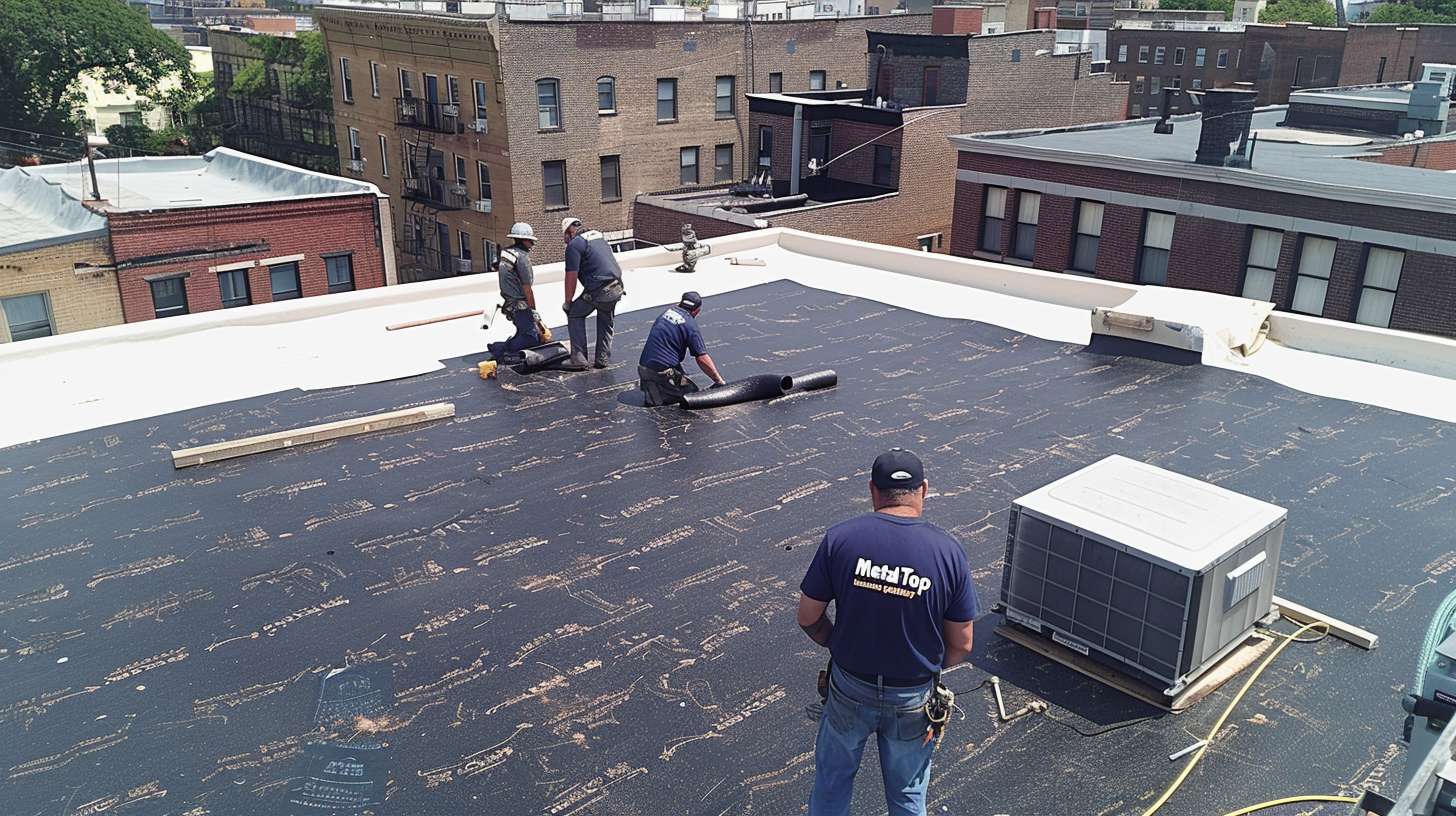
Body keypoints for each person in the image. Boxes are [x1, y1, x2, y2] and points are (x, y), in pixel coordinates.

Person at [796, 449, 979, 816]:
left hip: (849, 688)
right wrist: (926, 666)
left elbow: (808, 616)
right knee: (908, 797)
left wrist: (837, 641)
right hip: (911, 696)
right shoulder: (948, 552)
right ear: (923, 489)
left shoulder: (841, 540)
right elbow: (963, 643)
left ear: (872, 491)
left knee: (832, 786)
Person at [637, 291, 727, 406]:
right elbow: (702, 357)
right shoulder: (689, 325)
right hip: (660, 371)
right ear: (697, 310)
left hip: (643, 366)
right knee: (691, 394)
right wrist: (718, 381)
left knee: (673, 368)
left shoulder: (666, 313)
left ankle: (654, 385)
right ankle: (660, 392)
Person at [561, 216, 625, 371]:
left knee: (575, 313)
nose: (565, 241)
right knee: (605, 317)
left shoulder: (575, 245)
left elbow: (571, 277)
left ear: (569, 232)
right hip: (616, 287)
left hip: (600, 290)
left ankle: (579, 359)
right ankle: (602, 358)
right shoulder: (598, 237)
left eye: (565, 237)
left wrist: (568, 302)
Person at [487, 222, 541, 364]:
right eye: (530, 241)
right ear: (523, 240)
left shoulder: (506, 252)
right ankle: (500, 350)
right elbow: (527, 287)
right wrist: (533, 310)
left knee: (522, 331)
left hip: (510, 301)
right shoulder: (521, 257)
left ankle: (500, 347)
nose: (532, 245)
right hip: (519, 304)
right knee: (531, 337)